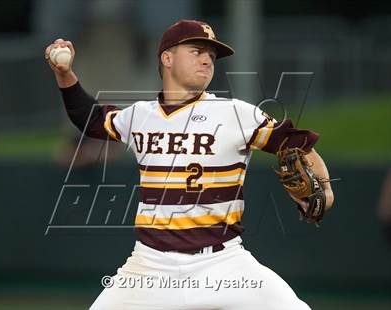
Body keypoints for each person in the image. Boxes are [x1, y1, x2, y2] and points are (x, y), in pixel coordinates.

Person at [45, 19, 334, 310]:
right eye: (197, 51)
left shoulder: (235, 113)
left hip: (223, 265)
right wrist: (65, 74)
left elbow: (297, 142)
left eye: (211, 55)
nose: (207, 59)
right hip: (149, 268)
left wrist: (325, 189)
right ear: (167, 58)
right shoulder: (140, 116)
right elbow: (90, 119)